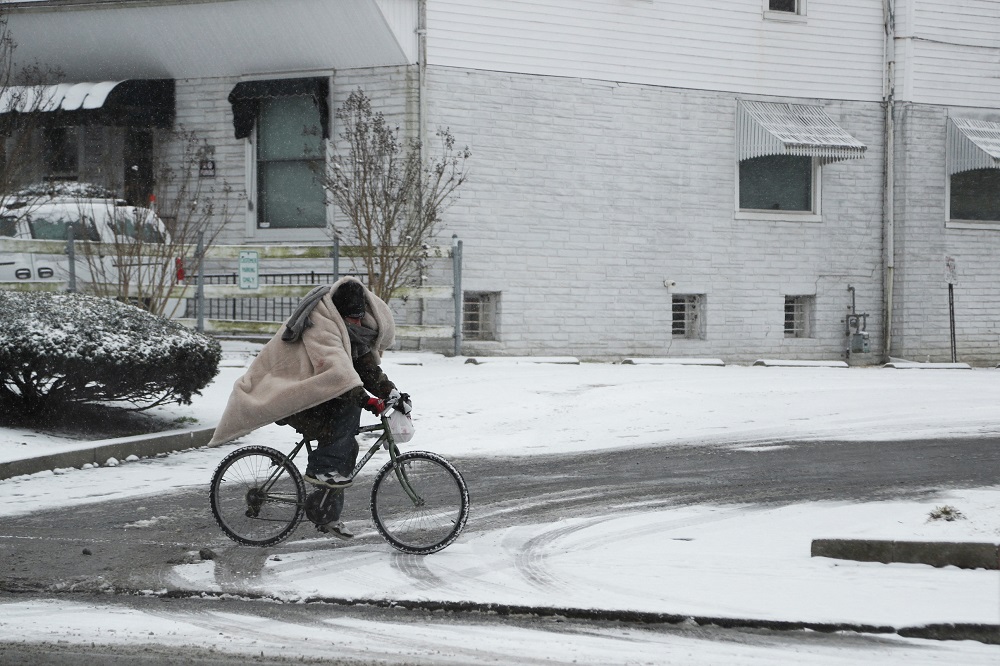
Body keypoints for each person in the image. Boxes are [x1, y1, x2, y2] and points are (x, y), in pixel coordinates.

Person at [209, 276, 411, 540]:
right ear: (340, 315)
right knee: (343, 419)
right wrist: (367, 400)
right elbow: (338, 372)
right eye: (352, 319)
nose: (357, 324)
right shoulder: (321, 324)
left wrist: (391, 393)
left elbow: (365, 368)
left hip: (315, 396)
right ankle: (320, 469)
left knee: (346, 446)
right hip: (293, 396)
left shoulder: (349, 331)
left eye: (359, 318)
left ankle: (326, 514)